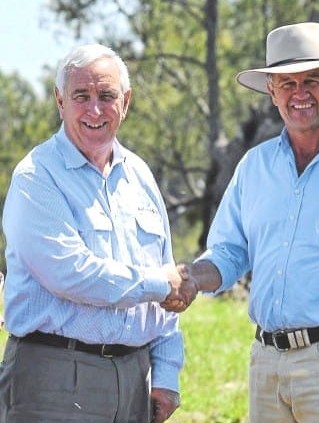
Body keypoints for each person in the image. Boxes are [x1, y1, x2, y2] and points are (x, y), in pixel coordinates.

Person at [161, 22, 319, 423]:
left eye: (311, 81)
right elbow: (229, 253)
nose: (299, 94)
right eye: (286, 83)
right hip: (266, 363)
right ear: (271, 91)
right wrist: (194, 277)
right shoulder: (254, 166)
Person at [0, 43, 196, 423]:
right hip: (54, 378)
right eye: (81, 96)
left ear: (126, 101)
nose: (94, 109)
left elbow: (166, 287)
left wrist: (167, 373)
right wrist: (159, 283)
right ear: (60, 101)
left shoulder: (140, 176)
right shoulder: (36, 177)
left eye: (106, 96)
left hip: (134, 381)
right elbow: (70, 272)